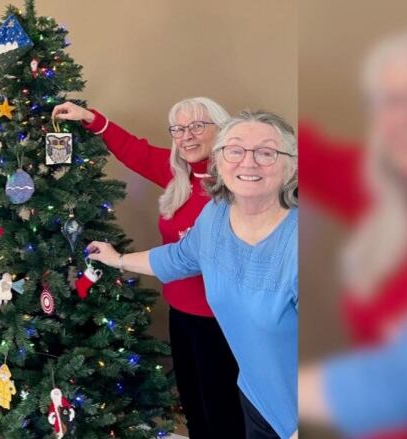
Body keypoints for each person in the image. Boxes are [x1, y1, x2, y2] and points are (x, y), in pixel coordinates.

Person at [86, 110, 298, 439]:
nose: (248, 162)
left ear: (291, 164)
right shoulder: (216, 215)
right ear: (220, 159)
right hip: (256, 396)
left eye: (267, 152)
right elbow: (179, 257)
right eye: (235, 149)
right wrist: (119, 259)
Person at [52, 98, 244, 438]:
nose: (187, 136)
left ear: (222, 130)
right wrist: (90, 118)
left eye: (198, 126)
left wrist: (121, 260)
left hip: (222, 321)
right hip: (182, 314)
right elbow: (134, 151)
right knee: (195, 405)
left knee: (224, 412)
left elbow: (190, 256)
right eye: (179, 129)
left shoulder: (240, 183)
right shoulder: (178, 174)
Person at [299, 31, 407, 438]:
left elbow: (396, 381)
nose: (398, 118)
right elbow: (306, 156)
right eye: (386, 102)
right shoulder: (380, 187)